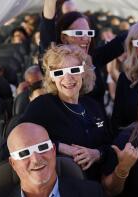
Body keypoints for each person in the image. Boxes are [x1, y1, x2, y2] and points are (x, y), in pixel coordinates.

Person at [40, 0, 138, 106]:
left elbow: (119, 43)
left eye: (88, 33)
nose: (85, 38)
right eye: (79, 33)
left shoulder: (93, 58)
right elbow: (47, 24)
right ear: (64, 37)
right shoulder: (54, 63)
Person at [21, 44, 111, 181]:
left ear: (83, 72)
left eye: (74, 70)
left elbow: (109, 145)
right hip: (61, 186)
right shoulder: (41, 106)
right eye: (59, 72)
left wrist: (97, 154)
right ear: (52, 77)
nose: (68, 78)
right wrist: (61, 147)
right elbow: (20, 141)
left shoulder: (93, 106)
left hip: (97, 186)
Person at [0, 122, 106, 197]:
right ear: (13, 163)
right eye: (24, 153)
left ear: (53, 151)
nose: (36, 159)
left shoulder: (93, 195)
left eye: (42, 147)